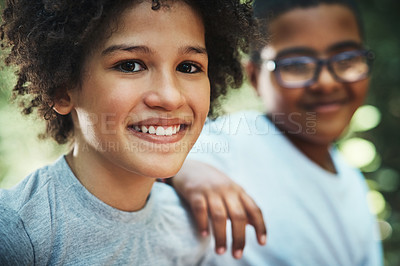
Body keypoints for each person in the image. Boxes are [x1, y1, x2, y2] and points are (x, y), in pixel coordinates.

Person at [0, 0, 260, 265]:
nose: (169, 97)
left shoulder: (191, 230)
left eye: (188, 67)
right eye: (130, 65)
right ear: (62, 89)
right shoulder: (15, 232)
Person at [173, 0, 384, 264]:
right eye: (296, 65)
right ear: (254, 76)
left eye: (346, 59)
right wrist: (181, 171)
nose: (326, 82)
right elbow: (148, 162)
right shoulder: (229, 145)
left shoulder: (351, 180)